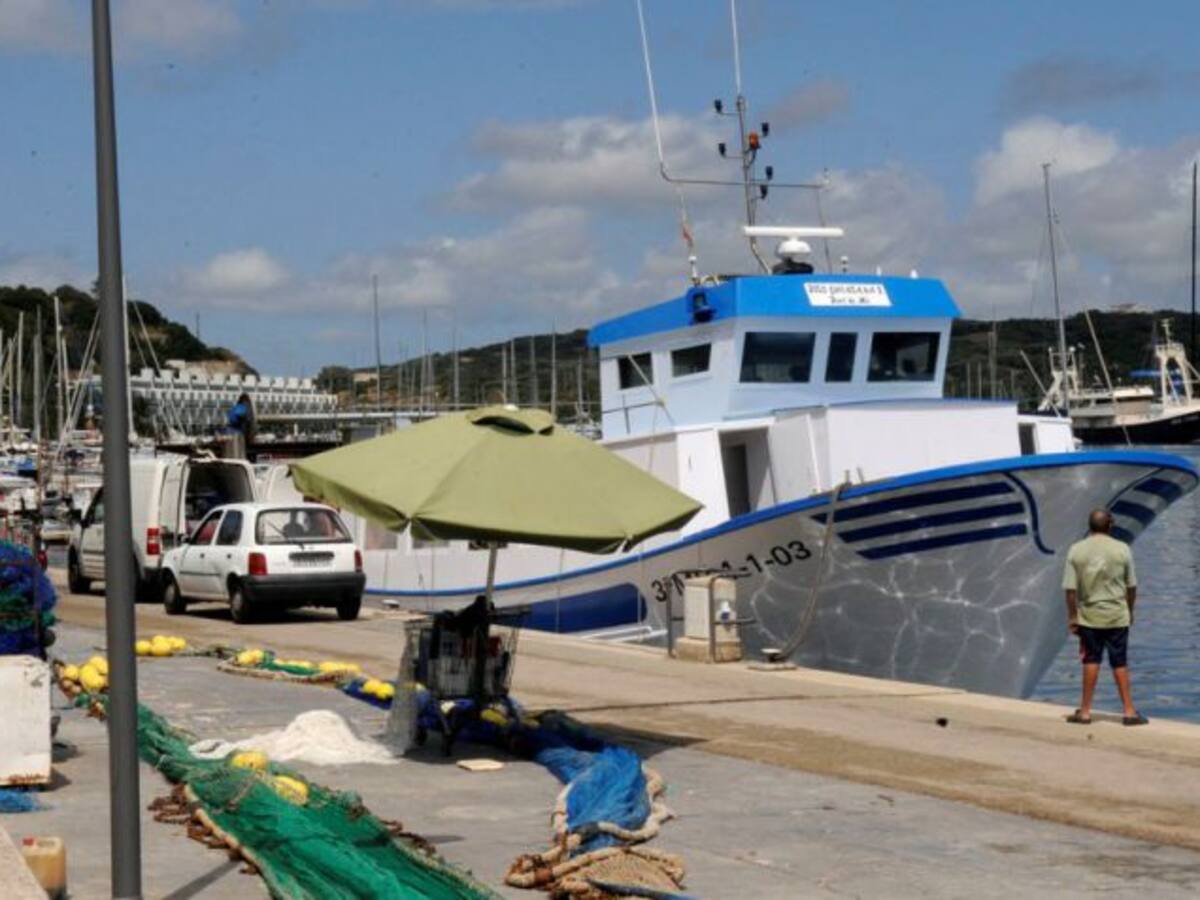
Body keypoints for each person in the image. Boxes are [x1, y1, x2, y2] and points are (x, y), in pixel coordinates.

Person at [1062, 509, 1147, 726]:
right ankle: (1129, 712)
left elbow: (1070, 590)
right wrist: (1129, 611)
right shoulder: (1122, 549)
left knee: (1091, 659)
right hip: (1117, 615)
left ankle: (1085, 712)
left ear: (1090, 526)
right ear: (1110, 526)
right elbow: (1132, 586)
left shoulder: (1076, 550)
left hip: (1089, 615)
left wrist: (1073, 617)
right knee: (1120, 662)